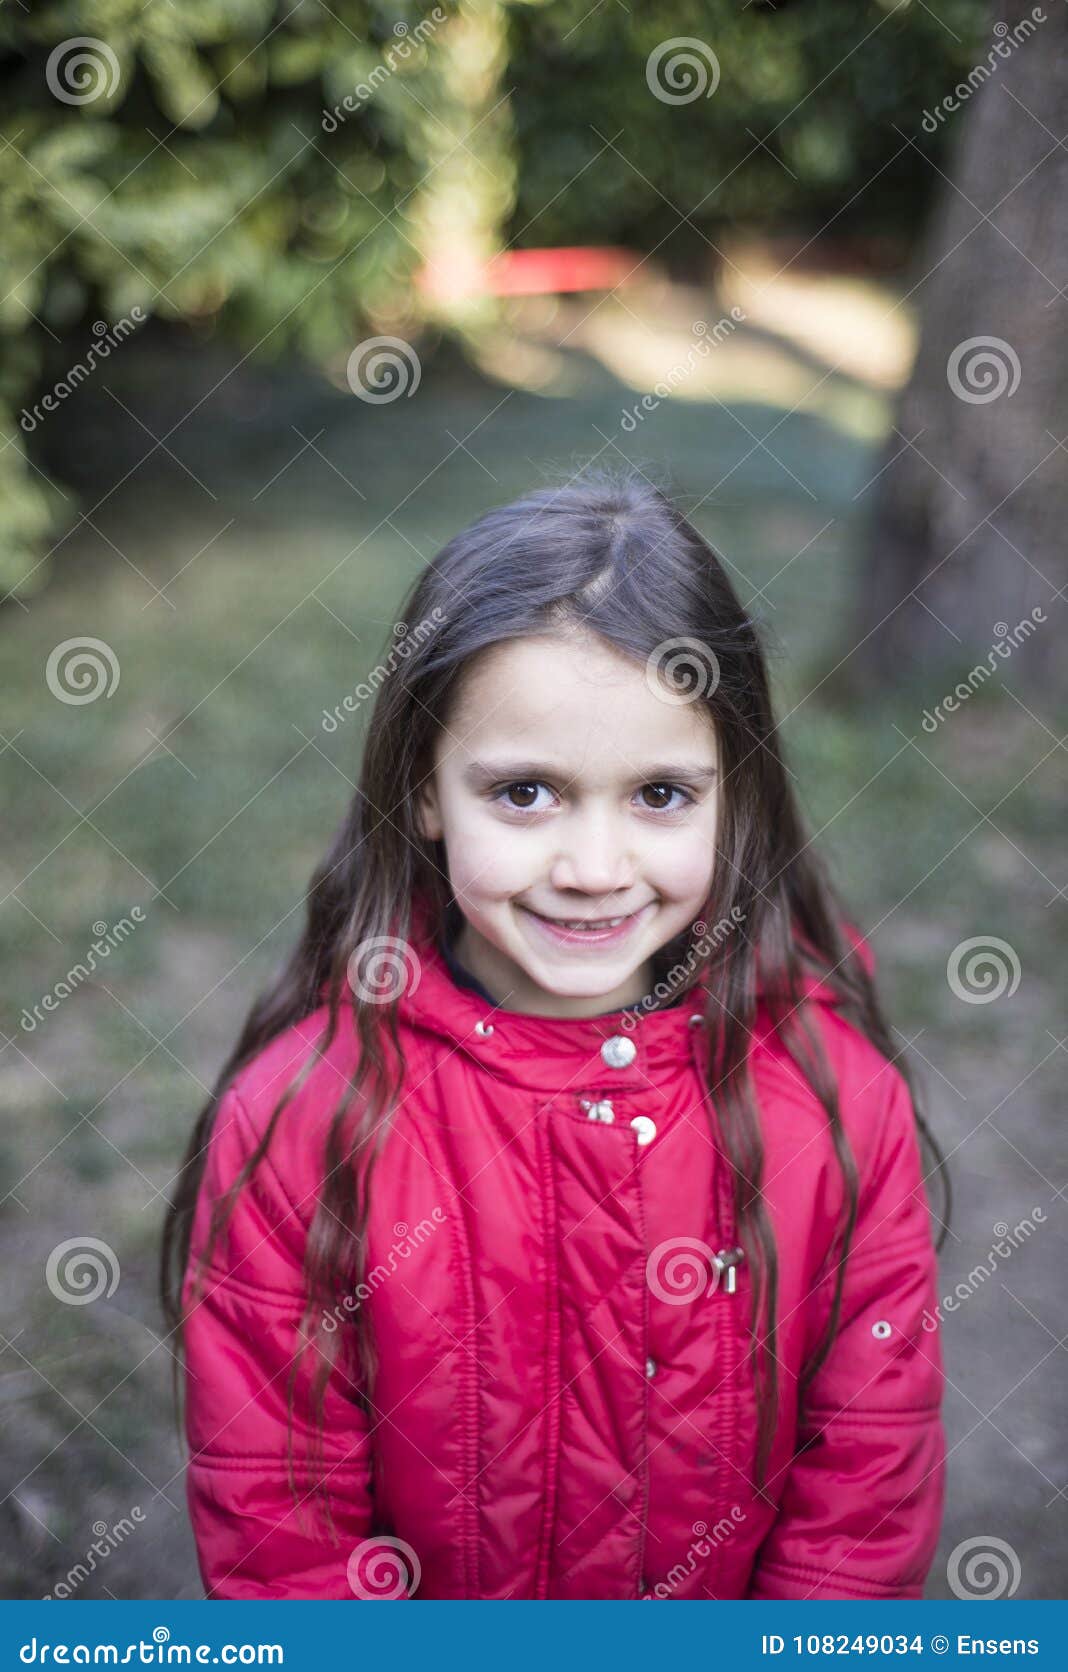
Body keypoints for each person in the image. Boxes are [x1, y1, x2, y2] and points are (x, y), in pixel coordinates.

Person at [161, 472, 947, 1600]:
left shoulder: (835, 1096)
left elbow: (866, 1491)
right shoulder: (307, 1120)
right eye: (526, 793)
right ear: (425, 790)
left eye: (661, 794)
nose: (591, 868)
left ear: (738, 791)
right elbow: (277, 1524)